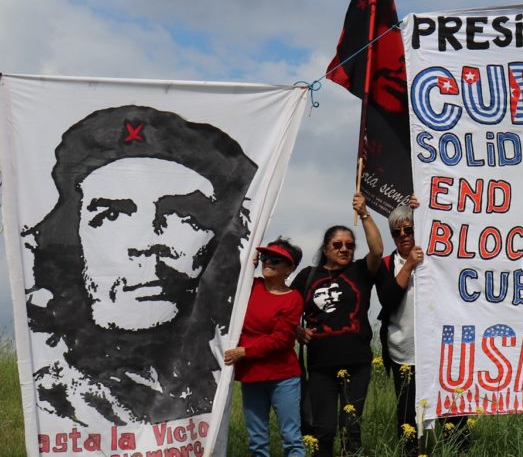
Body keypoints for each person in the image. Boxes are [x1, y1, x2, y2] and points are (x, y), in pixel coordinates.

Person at [24, 104, 257, 425]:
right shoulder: (55, 402)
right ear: (73, 237)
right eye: (111, 215)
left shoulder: (208, 390)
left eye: (183, 215)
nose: (145, 244)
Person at [293, 194, 384, 457]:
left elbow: (377, 250)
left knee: (351, 428)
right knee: (322, 430)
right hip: (321, 365)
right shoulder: (306, 277)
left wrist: (365, 213)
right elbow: (284, 311)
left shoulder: (360, 271)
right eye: (338, 244)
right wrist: (297, 331)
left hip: (357, 363)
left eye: (350, 245)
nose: (345, 249)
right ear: (325, 248)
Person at [225, 239, 305, 457]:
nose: (268, 262)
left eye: (276, 260)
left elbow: (280, 340)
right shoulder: (250, 286)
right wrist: (245, 265)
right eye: (265, 257)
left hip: (283, 377)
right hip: (252, 375)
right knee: (257, 440)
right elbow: (226, 277)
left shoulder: (294, 299)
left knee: (291, 438)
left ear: (290, 268)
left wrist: (244, 352)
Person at [376, 201, 425, 453]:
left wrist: (426, 202)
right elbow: (388, 299)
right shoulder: (386, 264)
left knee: (450, 412)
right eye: (397, 232)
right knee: (407, 412)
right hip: (402, 350)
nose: (404, 236)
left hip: (437, 351)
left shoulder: (437, 256)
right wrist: (409, 265)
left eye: (409, 229)